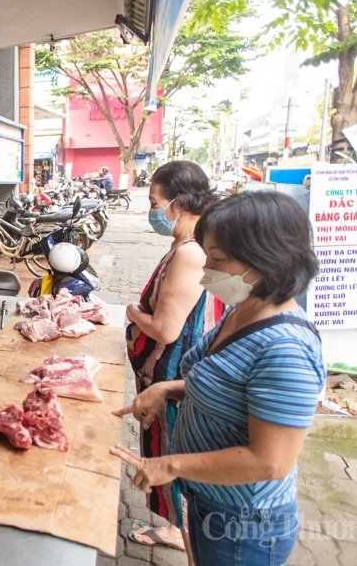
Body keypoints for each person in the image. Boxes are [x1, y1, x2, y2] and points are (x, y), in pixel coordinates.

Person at [113, 190, 324, 566]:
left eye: (219, 259)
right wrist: (167, 388)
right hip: (209, 501)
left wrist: (171, 464)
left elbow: (269, 461)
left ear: (265, 259)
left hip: (243, 524)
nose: (206, 268)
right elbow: (224, 385)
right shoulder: (241, 310)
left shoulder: (286, 349)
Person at [124, 160, 223, 560]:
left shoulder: (190, 253)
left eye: (154, 201)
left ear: (179, 203)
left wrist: (131, 313)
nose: (152, 211)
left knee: (170, 453)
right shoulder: (184, 244)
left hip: (172, 373)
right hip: (162, 373)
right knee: (162, 448)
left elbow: (165, 329)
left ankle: (182, 536)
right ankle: (172, 529)